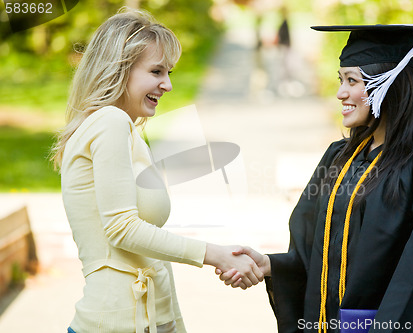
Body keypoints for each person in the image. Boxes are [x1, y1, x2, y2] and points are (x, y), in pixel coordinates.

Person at [219, 24, 413, 333]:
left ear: (388, 83)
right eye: (341, 80)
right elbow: (313, 247)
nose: (341, 93)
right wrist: (271, 265)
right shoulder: (339, 156)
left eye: (352, 80)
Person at [50, 8, 263, 333]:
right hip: (114, 322)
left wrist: (174, 325)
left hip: (150, 319)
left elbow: (150, 255)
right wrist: (215, 255)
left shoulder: (130, 131)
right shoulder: (110, 122)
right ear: (119, 69)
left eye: (170, 72)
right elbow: (122, 228)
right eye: (156, 71)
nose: (167, 85)